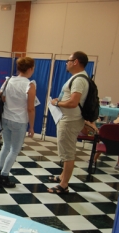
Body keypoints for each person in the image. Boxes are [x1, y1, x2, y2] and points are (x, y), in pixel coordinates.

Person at [49, 51, 90, 194]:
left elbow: (73, 103)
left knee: (67, 153)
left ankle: (63, 185)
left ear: (76, 62)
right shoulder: (78, 77)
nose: (66, 62)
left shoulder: (79, 80)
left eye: (69, 60)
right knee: (66, 151)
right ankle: (62, 177)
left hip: (70, 121)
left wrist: (57, 102)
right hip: (69, 119)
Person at [0, 57, 36, 188]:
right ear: (30, 69)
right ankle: (4, 177)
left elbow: (1, 97)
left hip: (6, 117)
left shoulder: (8, 80)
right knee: (14, 150)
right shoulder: (30, 85)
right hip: (19, 120)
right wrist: (32, 126)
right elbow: (30, 108)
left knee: (6, 146)